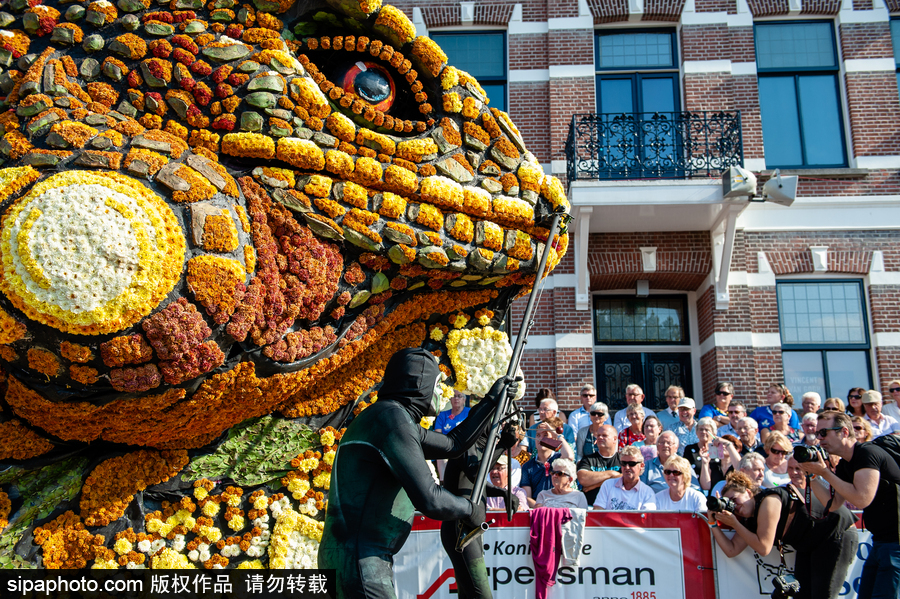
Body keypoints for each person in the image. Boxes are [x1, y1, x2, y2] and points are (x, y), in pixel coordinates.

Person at [319, 347, 513, 598]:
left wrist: (491, 401)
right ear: (420, 382)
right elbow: (430, 499)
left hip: (354, 556)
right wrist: (471, 510)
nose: (440, 392)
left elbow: (453, 445)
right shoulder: (392, 419)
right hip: (360, 559)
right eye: (437, 383)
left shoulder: (390, 416)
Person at [708, 470, 859, 599]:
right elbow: (731, 550)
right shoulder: (749, 520)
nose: (735, 507)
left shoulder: (769, 500)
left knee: (822, 595)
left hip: (836, 532)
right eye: (730, 504)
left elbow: (763, 547)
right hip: (811, 543)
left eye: (735, 499)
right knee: (802, 595)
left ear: (748, 492)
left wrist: (735, 523)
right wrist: (712, 523)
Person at [801, 411, 900, 599]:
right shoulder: (846, 464)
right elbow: (833, 504)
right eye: (816, 434)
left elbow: (862, 499)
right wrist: (812, 476)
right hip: (881, 541)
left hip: (896, 543)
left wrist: (824, 472)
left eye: (823, 433)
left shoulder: (867, 453)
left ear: (844, 432)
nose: (819, 439)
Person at [521, 419, 575, 507]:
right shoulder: (527, 466)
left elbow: (569, 456)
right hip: (538, 510)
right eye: (538, 435)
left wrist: (557, 435)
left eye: (545, 435)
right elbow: (527, 497)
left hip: (560, 506)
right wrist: (544, 509)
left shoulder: (559, 458)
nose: (540, 438)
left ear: (553, 439)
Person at [593, 446, 656, 510]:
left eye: (631, 463)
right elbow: (597, 512)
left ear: (641, 466)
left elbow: (647, 518)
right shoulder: (607, 485)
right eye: (623, 463)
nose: (627, 467)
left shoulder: (648, 492)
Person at [685, 417, 739, 491]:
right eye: (701, 429)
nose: (703, 432)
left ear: (714, 433)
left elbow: (738, 465)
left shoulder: (720, 449)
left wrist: (728, 444)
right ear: (696, 432)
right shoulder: (689, 449)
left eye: (707, 430)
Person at [576, 424, 622, 505]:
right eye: (598, 435)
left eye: (604, 435)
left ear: (615, 439)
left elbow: (626, 479)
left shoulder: (622, 459)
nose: (600, 437)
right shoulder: (588, 459)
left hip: (617, 506)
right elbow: (583, 478)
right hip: (591, 506)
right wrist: (612, 474)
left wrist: (594, 485)